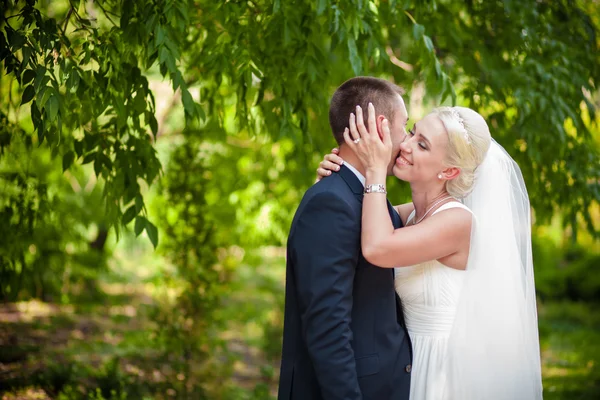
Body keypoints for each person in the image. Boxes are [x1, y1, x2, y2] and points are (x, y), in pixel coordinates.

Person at [316, 103, 543, 399]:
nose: (406, 145)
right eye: (412, 132)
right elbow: (352, 222)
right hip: (408, 363)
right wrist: (335, 180)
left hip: (445, 372)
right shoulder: (413, 215)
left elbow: (377, 247)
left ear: (449, 170)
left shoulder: (457, 222)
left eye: (422, 145)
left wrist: (374, 170)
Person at [278, 77, 412, 400]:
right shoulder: (331, 203)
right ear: (380, 128)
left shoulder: (367, 200)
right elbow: (328, 331)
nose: (407, 140)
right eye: (405, 127)